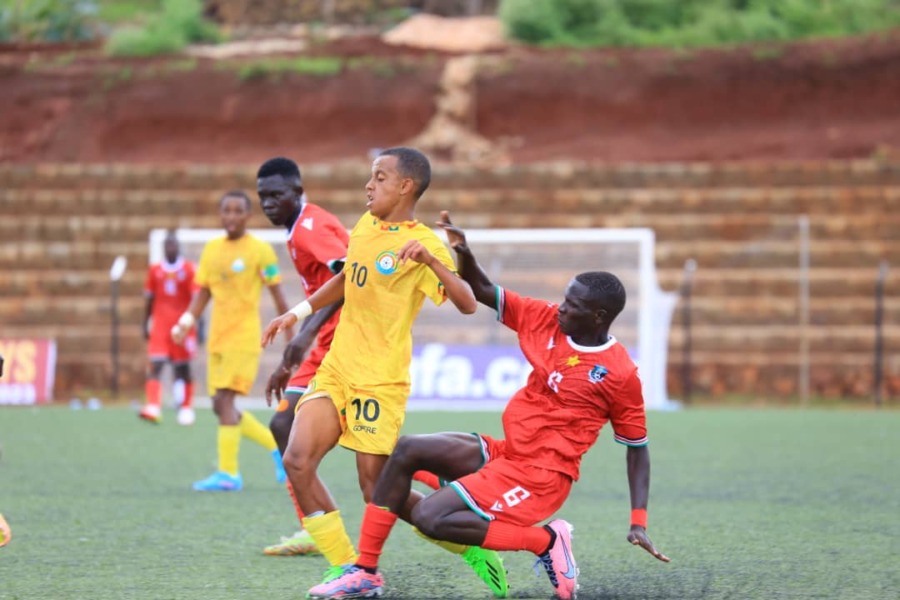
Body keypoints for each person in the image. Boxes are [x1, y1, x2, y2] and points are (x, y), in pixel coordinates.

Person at [310, 211, 670, 600]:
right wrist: (463, 251)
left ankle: (545, 541)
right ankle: (366, 572)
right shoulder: (545, 318)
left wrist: (638, 521)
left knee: (431, 517)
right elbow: (481, 290)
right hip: (507, 453)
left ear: (598, 317)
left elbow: (637, 449)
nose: (561, 308)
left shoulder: (619, 373)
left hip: (541, 476)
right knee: (406, 451)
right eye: (564, 299)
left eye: (573, 305)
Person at [261, 148, 508, 597]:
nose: (368, 185)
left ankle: (471, 546)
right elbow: (347, 278)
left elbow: (469, 304)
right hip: (338, 369)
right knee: (297, 459)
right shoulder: (365, 225)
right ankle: (348, 570)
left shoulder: (425, 243)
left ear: (405, 186)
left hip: (380, 380)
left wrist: (433, 261)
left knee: (377, 489)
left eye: (379, 177)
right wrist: (296, 313)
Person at [171, 190, 294, 492]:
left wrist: (292, 339)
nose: (231, 216)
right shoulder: (212, 250)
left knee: (225, 401)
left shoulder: (260, 251)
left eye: (238, 211)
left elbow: (278, 296)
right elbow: (203, 293)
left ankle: (228, 474)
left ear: (248, 215)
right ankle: (276, 448)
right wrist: (185, 322)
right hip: (218, 338)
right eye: (226, 210)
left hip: (243, 338)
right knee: (218, 404)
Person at [256, 156, 348, 556]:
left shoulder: (311, 228)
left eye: (276, 195)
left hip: (348, 343)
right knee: (282, 424)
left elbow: (351, 276)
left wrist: (304, 334)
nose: (268, 203)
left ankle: (446, 484)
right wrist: (290, 360)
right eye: (263, 196)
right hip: (326, 341)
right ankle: (315, 527)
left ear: (297, 191)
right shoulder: (298, 229)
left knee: (373, 455)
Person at [139, 230, 198, 426]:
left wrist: (198, 324)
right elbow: (149, 299)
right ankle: (153, 406)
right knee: (155, 365)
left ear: (178, 247)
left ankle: (186, 408)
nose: (170, 248)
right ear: (163, 247)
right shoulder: (155, 270)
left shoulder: (188, 269)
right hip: (160, 326)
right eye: (167, 245)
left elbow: (197, 299)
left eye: (173, 244)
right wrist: (145, 322)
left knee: (182, 369)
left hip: (182, 326)